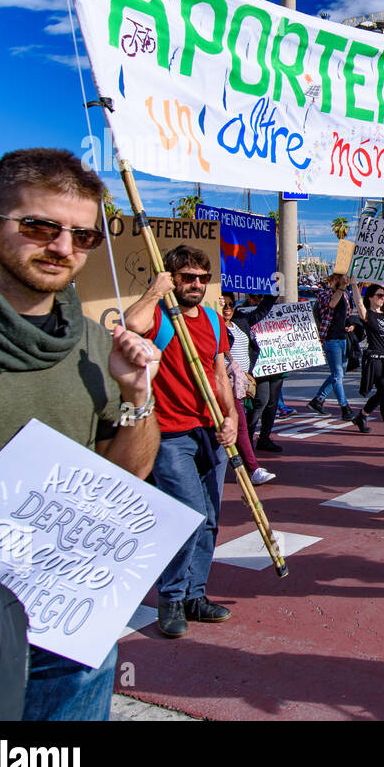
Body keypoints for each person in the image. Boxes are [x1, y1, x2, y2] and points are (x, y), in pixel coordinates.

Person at [0, 147, 160, 720]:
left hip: (68, 632)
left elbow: (126, 474)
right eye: (39, 226)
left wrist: (138, 396)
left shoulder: (96, 345)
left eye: (83, 237)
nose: (62, 247)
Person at [125, 245, 239, 639]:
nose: (195, 284)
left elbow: (221, 375)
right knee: (188, 514)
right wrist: (155, 291)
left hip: (209, 429)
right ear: (173, 278)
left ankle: (195, 595)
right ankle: (170, 598)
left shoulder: (212, 319)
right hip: (169, 434)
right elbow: (130, 322)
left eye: (202, 278)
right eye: (187, 277)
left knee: (209, 519)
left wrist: (232, 416)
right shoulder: (159, 315)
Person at [220, 292, 275, 485]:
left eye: (230, 304)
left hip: (243, 381)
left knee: (255, 408)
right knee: (240, 425)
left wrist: (274, 290)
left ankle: (242, 462)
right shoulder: (216, 327)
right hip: (226, 382)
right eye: (223, 304)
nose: (227, 308)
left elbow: (261, 312)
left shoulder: (240, 322)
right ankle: (253, 469)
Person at [235, 293, 287, 453]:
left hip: (275, 361)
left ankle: (264, 438)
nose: (258, 300)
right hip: (258, 365)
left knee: (272, 403)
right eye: (256, 297)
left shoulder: (277, 309)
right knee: (261, 402)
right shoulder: (240, 314)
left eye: (261, 297)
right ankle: (248, 437)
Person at [352, 283, 384, 436]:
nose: (382, 298)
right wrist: (354, 285)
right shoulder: (368, 315)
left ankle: (362, 416)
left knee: (382, 393)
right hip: (376, 360)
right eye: (379, 295)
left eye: (383, 295)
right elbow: (358, 302)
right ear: (370, 297)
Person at [307, 273, 362, 419]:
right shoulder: (324, 294)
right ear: (332, 280)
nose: (341, 280)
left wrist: (351, 325)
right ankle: (345, 407)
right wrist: (342, 287)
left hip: (343, 338)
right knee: (338, 374)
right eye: (338, 278)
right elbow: (331, 303)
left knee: (339, 374)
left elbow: (347, 314)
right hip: (330, 339)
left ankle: (318, 399)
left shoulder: (345, 295)